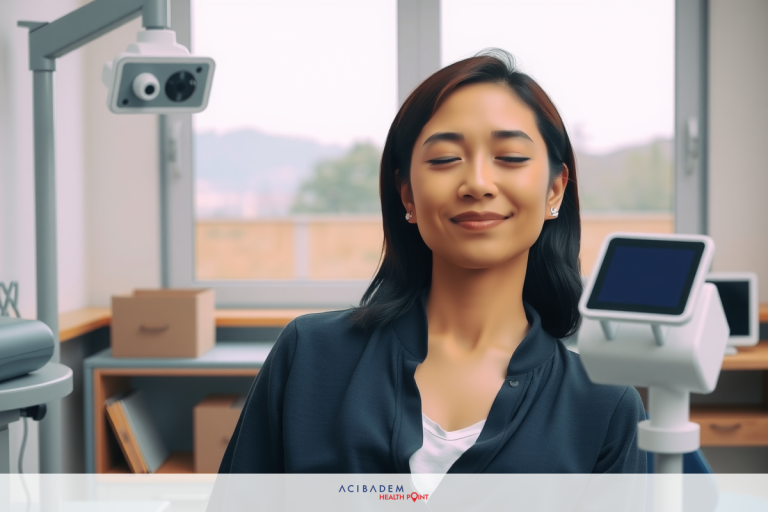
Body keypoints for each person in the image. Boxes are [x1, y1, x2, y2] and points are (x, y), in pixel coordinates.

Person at [218, 48, 647, 475]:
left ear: (554, 190)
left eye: (511, 158)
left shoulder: (604, 405)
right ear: (407, 194)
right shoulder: (309, 355)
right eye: (444, 160)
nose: (478, 183)